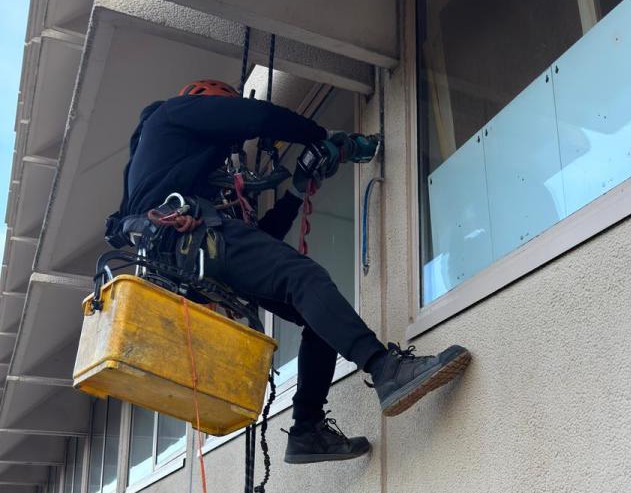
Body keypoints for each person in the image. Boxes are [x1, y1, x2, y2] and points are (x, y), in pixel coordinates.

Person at [113, 78, 470, 463]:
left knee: (317, 315)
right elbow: (257, 116)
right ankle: (385, 369)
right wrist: (318, 135)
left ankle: (306, 431)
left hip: (194, 259)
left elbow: (257, 243)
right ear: (210, 103)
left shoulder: (178, 173)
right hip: (191, 242)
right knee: (305, 279)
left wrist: (299, 187)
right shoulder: (173, 113)